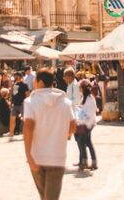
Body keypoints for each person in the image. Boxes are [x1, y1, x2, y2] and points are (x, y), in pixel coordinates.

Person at [23, 68, 76, 200]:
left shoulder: (31, 102)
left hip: (37, 156)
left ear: (40, 82)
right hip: (57, 157)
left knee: (44, 196)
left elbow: (28, 127)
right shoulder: (65, 102)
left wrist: (29, 156)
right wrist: (59, 135)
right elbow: (73, 126)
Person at [75, 79, 98, 171]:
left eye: (80, 87)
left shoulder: (90, 99)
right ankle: (93, 162)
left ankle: (85, 163)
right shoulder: (84, 98)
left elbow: (90, 114)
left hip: (88, 124)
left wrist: (80, 113)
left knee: (82, 142)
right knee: (88, 143)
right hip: (84, 124)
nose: (79, 89)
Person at [10, 72, 30, 141]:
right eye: (15, 76)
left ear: (20, 77)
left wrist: (27, 103)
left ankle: (24, 134)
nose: (16, 78)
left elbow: (27, 94)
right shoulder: (15, 85)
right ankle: (11, 134)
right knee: (12, 119)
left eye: (17, 76)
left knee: (24, 120)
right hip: (15, 104)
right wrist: (11, 102)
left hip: (22, 104)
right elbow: (13, 94)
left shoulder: (24, 85)